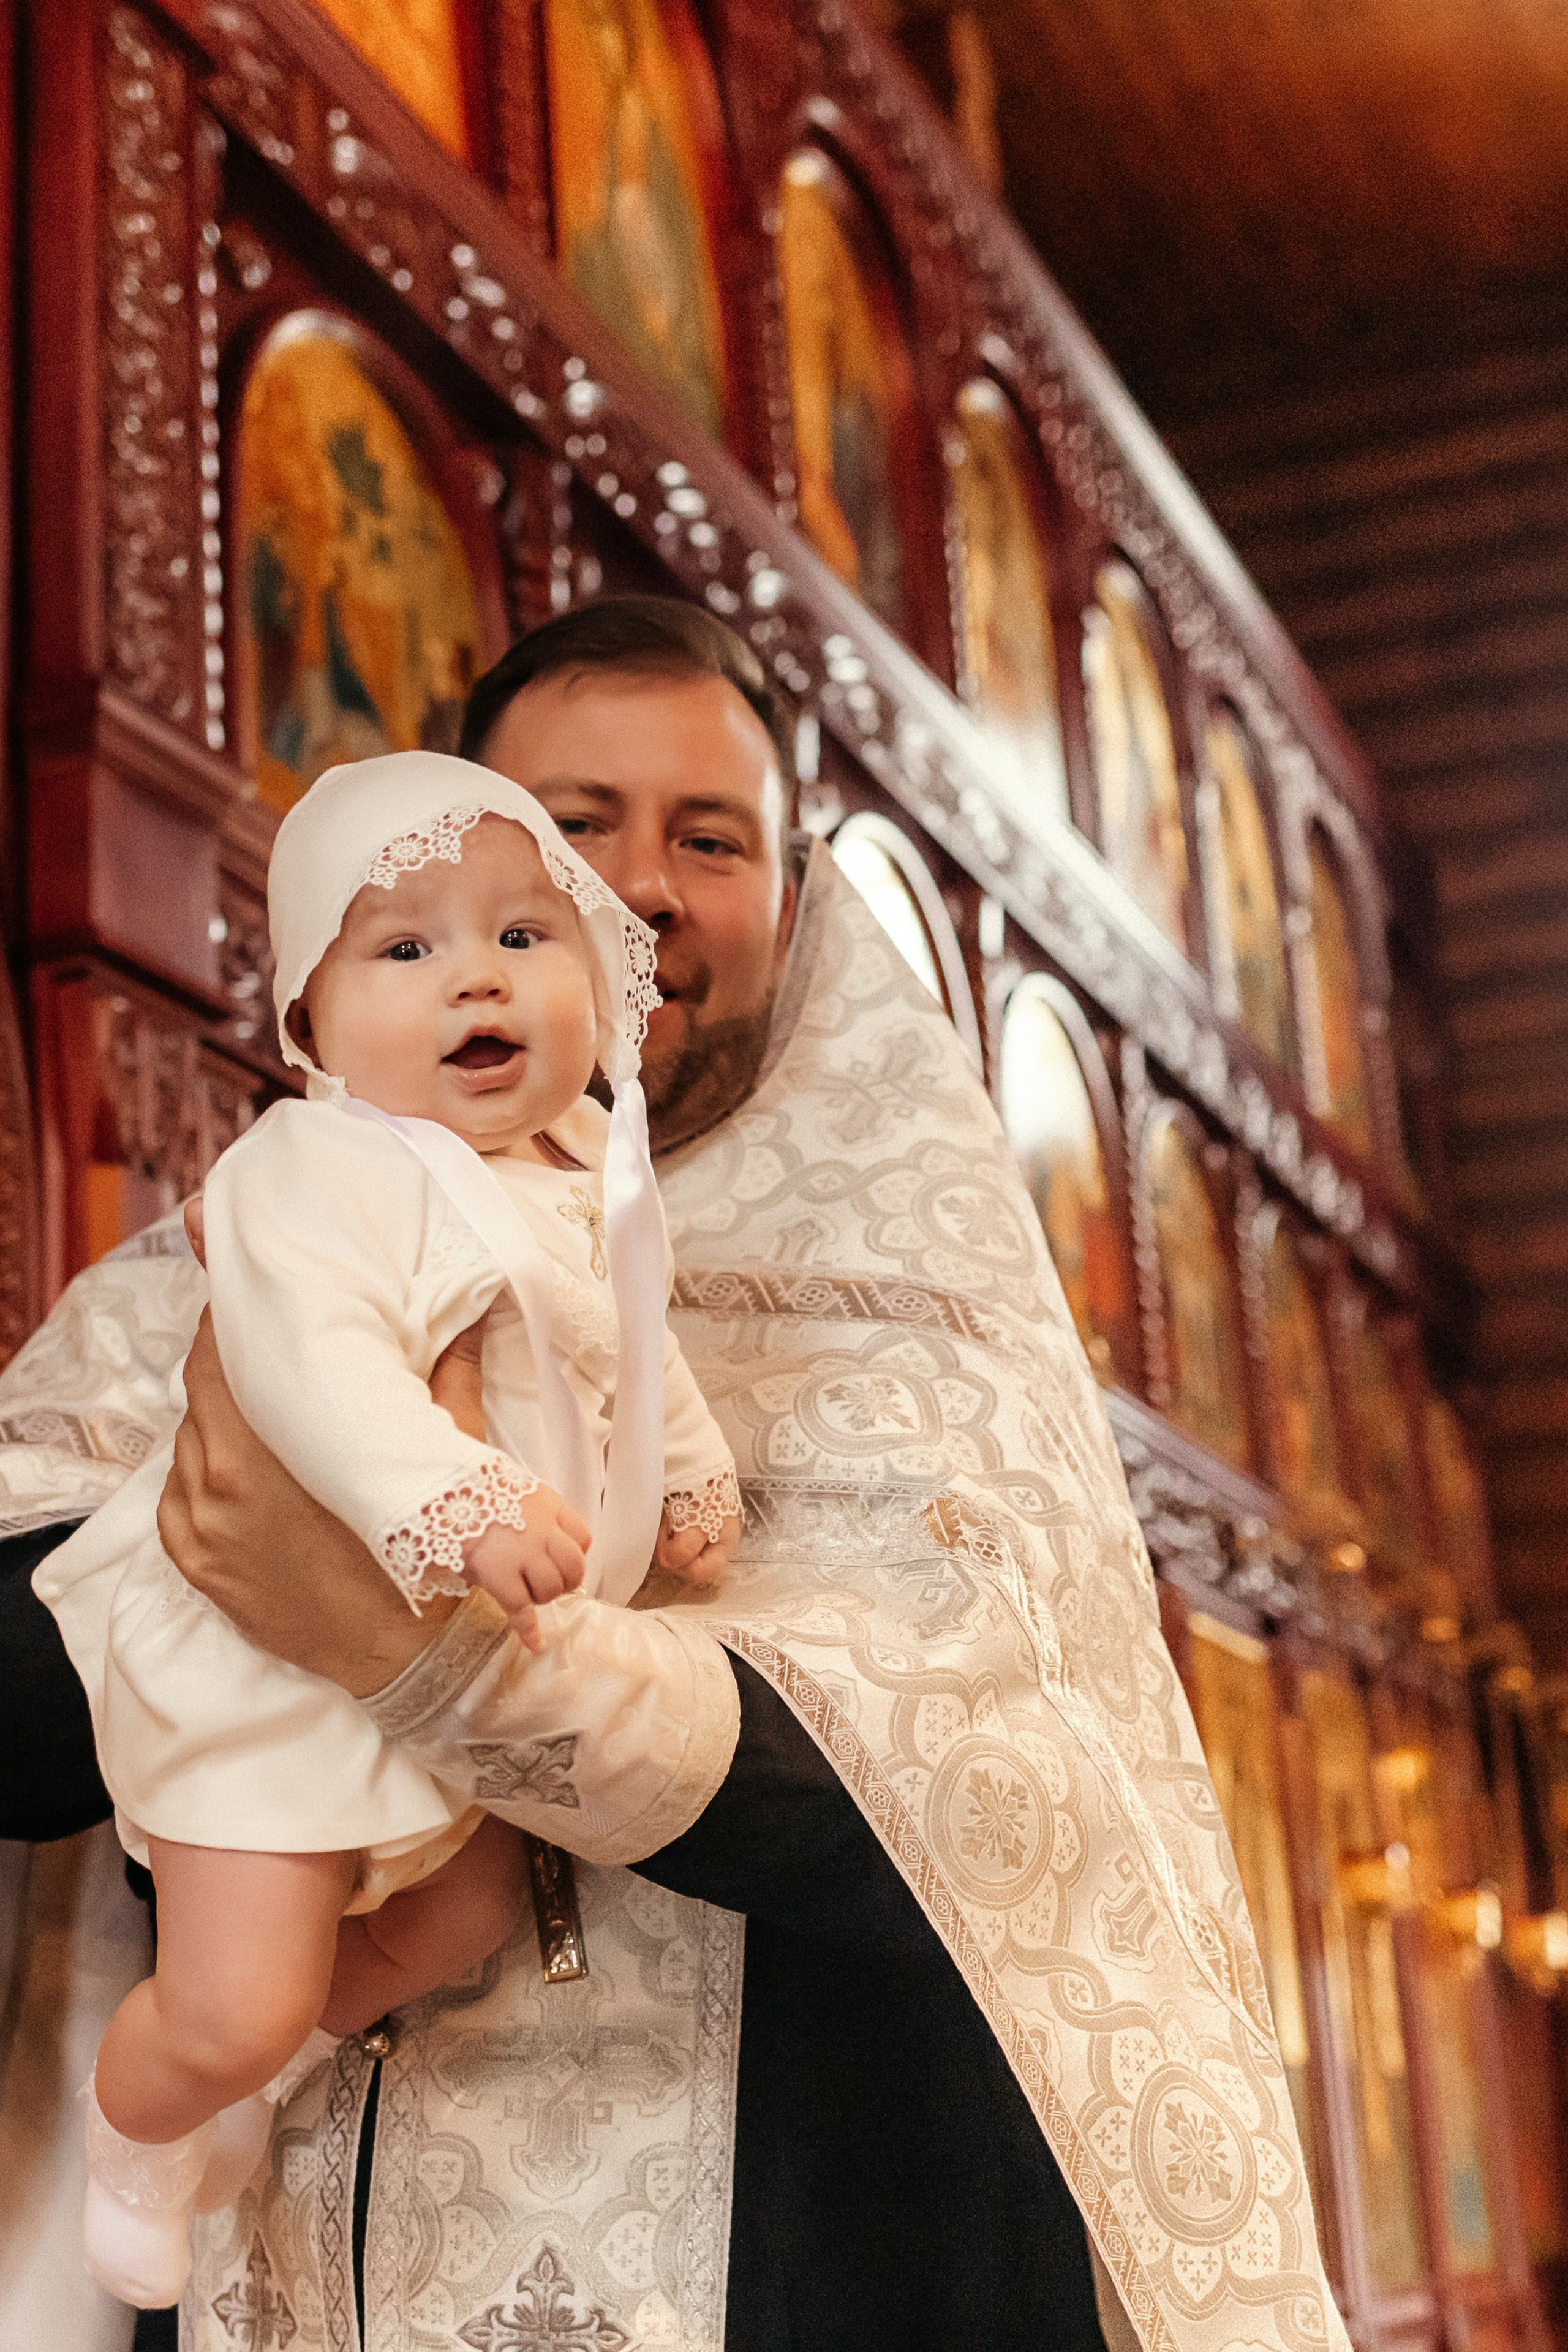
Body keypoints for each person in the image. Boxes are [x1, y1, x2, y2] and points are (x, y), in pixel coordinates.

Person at [0, 599, 1348, 2352]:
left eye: (711, 839)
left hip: (806, 2252)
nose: (639, 885)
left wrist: (429, 1659)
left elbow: (1004, 1822)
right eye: (576, 827)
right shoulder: (245, 1238)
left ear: (792, 901)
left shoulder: (930, 1303)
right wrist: (229, 1559)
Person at [34, 752, 739, 2307]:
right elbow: (310, 1360)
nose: (474, 979)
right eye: (405, 948)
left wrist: (688, 1485)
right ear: (310, 1016)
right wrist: (454, 1493)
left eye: (522, 937)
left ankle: (265, 2064)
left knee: (465, 1918)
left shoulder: (584, 1175)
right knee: (234, 1990)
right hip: (267, 1669)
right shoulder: (316, 1167)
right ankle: (142, 2117)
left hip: (458, 1672)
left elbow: (635, 1352)